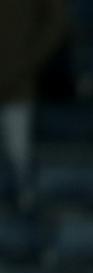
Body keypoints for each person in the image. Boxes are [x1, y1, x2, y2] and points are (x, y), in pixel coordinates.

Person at [0, 0, 68, 190]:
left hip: (18, 86)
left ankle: (24, 201)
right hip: (18, 80)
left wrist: (25, 63)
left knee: (19, 163)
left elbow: (56, 22)